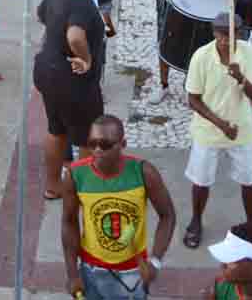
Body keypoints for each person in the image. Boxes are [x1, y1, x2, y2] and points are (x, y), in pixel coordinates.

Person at [61, 115, 176, 300]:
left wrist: (155, 262)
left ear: (122, 144)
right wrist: (72, 274)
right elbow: (69, 222)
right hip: (91, 269)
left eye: (106, 144)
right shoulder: (75, 175)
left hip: (133, 271)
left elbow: (167, 215)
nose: (97, 150)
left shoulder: (144, 172)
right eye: (92, 144)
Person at [182, 14, 252, 250]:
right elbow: (193, 99)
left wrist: (241, 77)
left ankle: (250, 225)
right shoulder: (201, 56)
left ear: (240, 33)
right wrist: (221, 125)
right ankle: (196, 221)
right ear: (214, 34)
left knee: (249, 180)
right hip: (208, 130)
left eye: (232, 35)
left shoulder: (248, 52)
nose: (227, 41)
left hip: (242, 128)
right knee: (201, 180)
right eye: (222, 35)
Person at [33, 0, 106, 200]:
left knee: (57, 129)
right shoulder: (82, 3)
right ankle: (82, 192)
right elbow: (75, 36)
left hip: (47, 70)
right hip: (73, 79)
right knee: (86, 136)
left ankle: (53, 186)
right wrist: (86, 59)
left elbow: (40, 14)